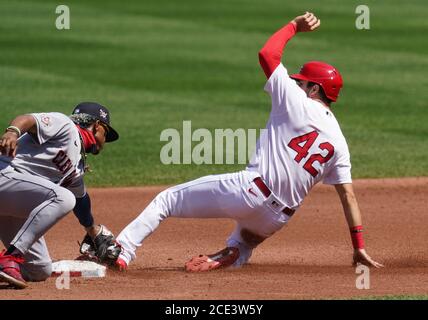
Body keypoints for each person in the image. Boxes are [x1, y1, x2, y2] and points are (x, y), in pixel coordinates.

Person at [111, 12, 383, 272]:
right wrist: (359, 247)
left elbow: (267, 54)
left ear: (314, 89)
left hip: (249, 192)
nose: (295, 84)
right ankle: (235, 252)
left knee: (167, 200)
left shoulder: (296, 100)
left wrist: (293, 26)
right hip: (276, 219)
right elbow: (348, 196)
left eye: (301, 82)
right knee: (243, 242)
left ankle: (121, 251)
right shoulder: (339, 142)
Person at [0, 102, 120, 289]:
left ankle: (7, 264)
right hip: (5, 174)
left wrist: (92, 230)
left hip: (11, 201)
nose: (105, 142)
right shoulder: (65, 126)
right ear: (98, 126)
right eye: (106, 134)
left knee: (39, 270)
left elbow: (82, 200)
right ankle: (11, 256)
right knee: (64, 198)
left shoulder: (76, 166)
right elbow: (29, 120)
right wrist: (13, 132)